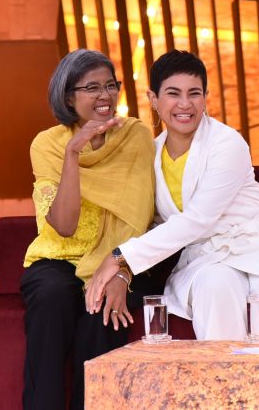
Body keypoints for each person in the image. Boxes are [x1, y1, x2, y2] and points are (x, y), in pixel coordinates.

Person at [84, 50, 259, 340]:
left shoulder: (228, 142)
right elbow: (148, 222)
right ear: (153, 98)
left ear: (205, 97)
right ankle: (224, 371)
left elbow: (199, 218)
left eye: (194, 93)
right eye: (173, 93)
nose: (185, 104)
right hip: (206, 259)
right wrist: (124, 272)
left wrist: (119, 256)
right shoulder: (150, 153)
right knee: (214, 286)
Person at [21, 49, 171, 410]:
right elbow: (64, 226)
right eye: (92, 88)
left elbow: (140, 215)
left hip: (121, 258)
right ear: (68, 97)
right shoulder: (48, 144)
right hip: (60, 256)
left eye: (110, 85)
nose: (105, 95)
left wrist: (120, 270)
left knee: (102, 310)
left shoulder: (135, 134)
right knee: (52, 294)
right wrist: (73, 153)